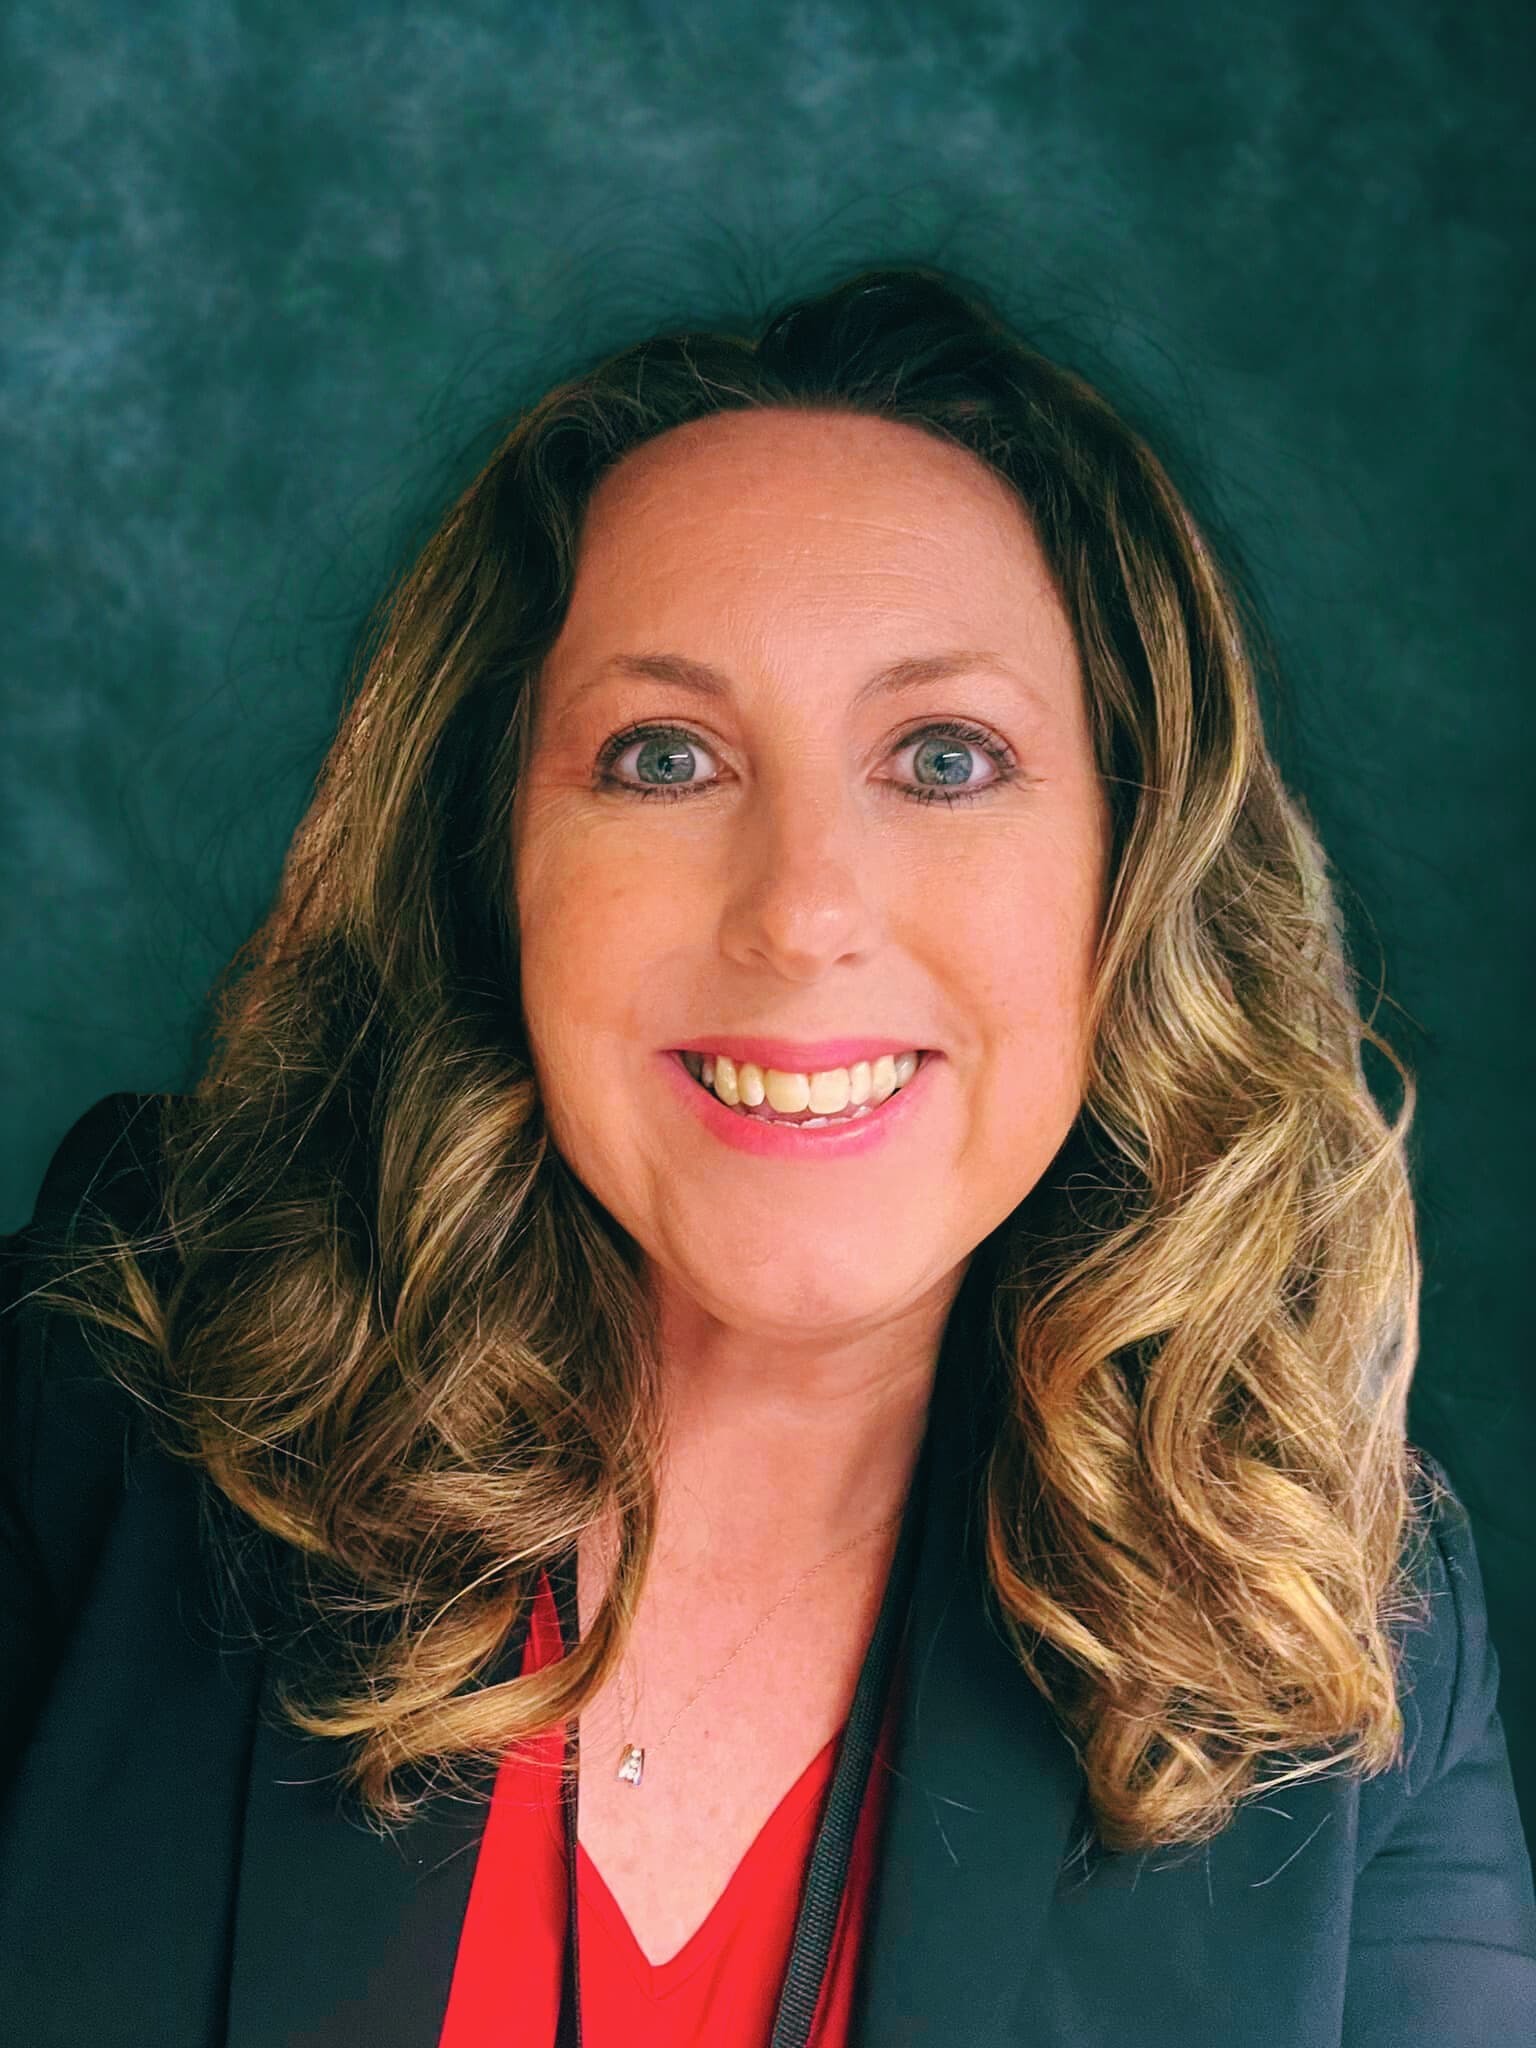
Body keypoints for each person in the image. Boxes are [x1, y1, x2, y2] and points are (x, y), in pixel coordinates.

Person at [1, 263, 1533, 2048]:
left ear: (1133, 876)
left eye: (945, 757)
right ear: (492, 864)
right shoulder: (113, 1390)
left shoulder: (1346, 1644)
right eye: (665, 757)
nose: (802, 911)